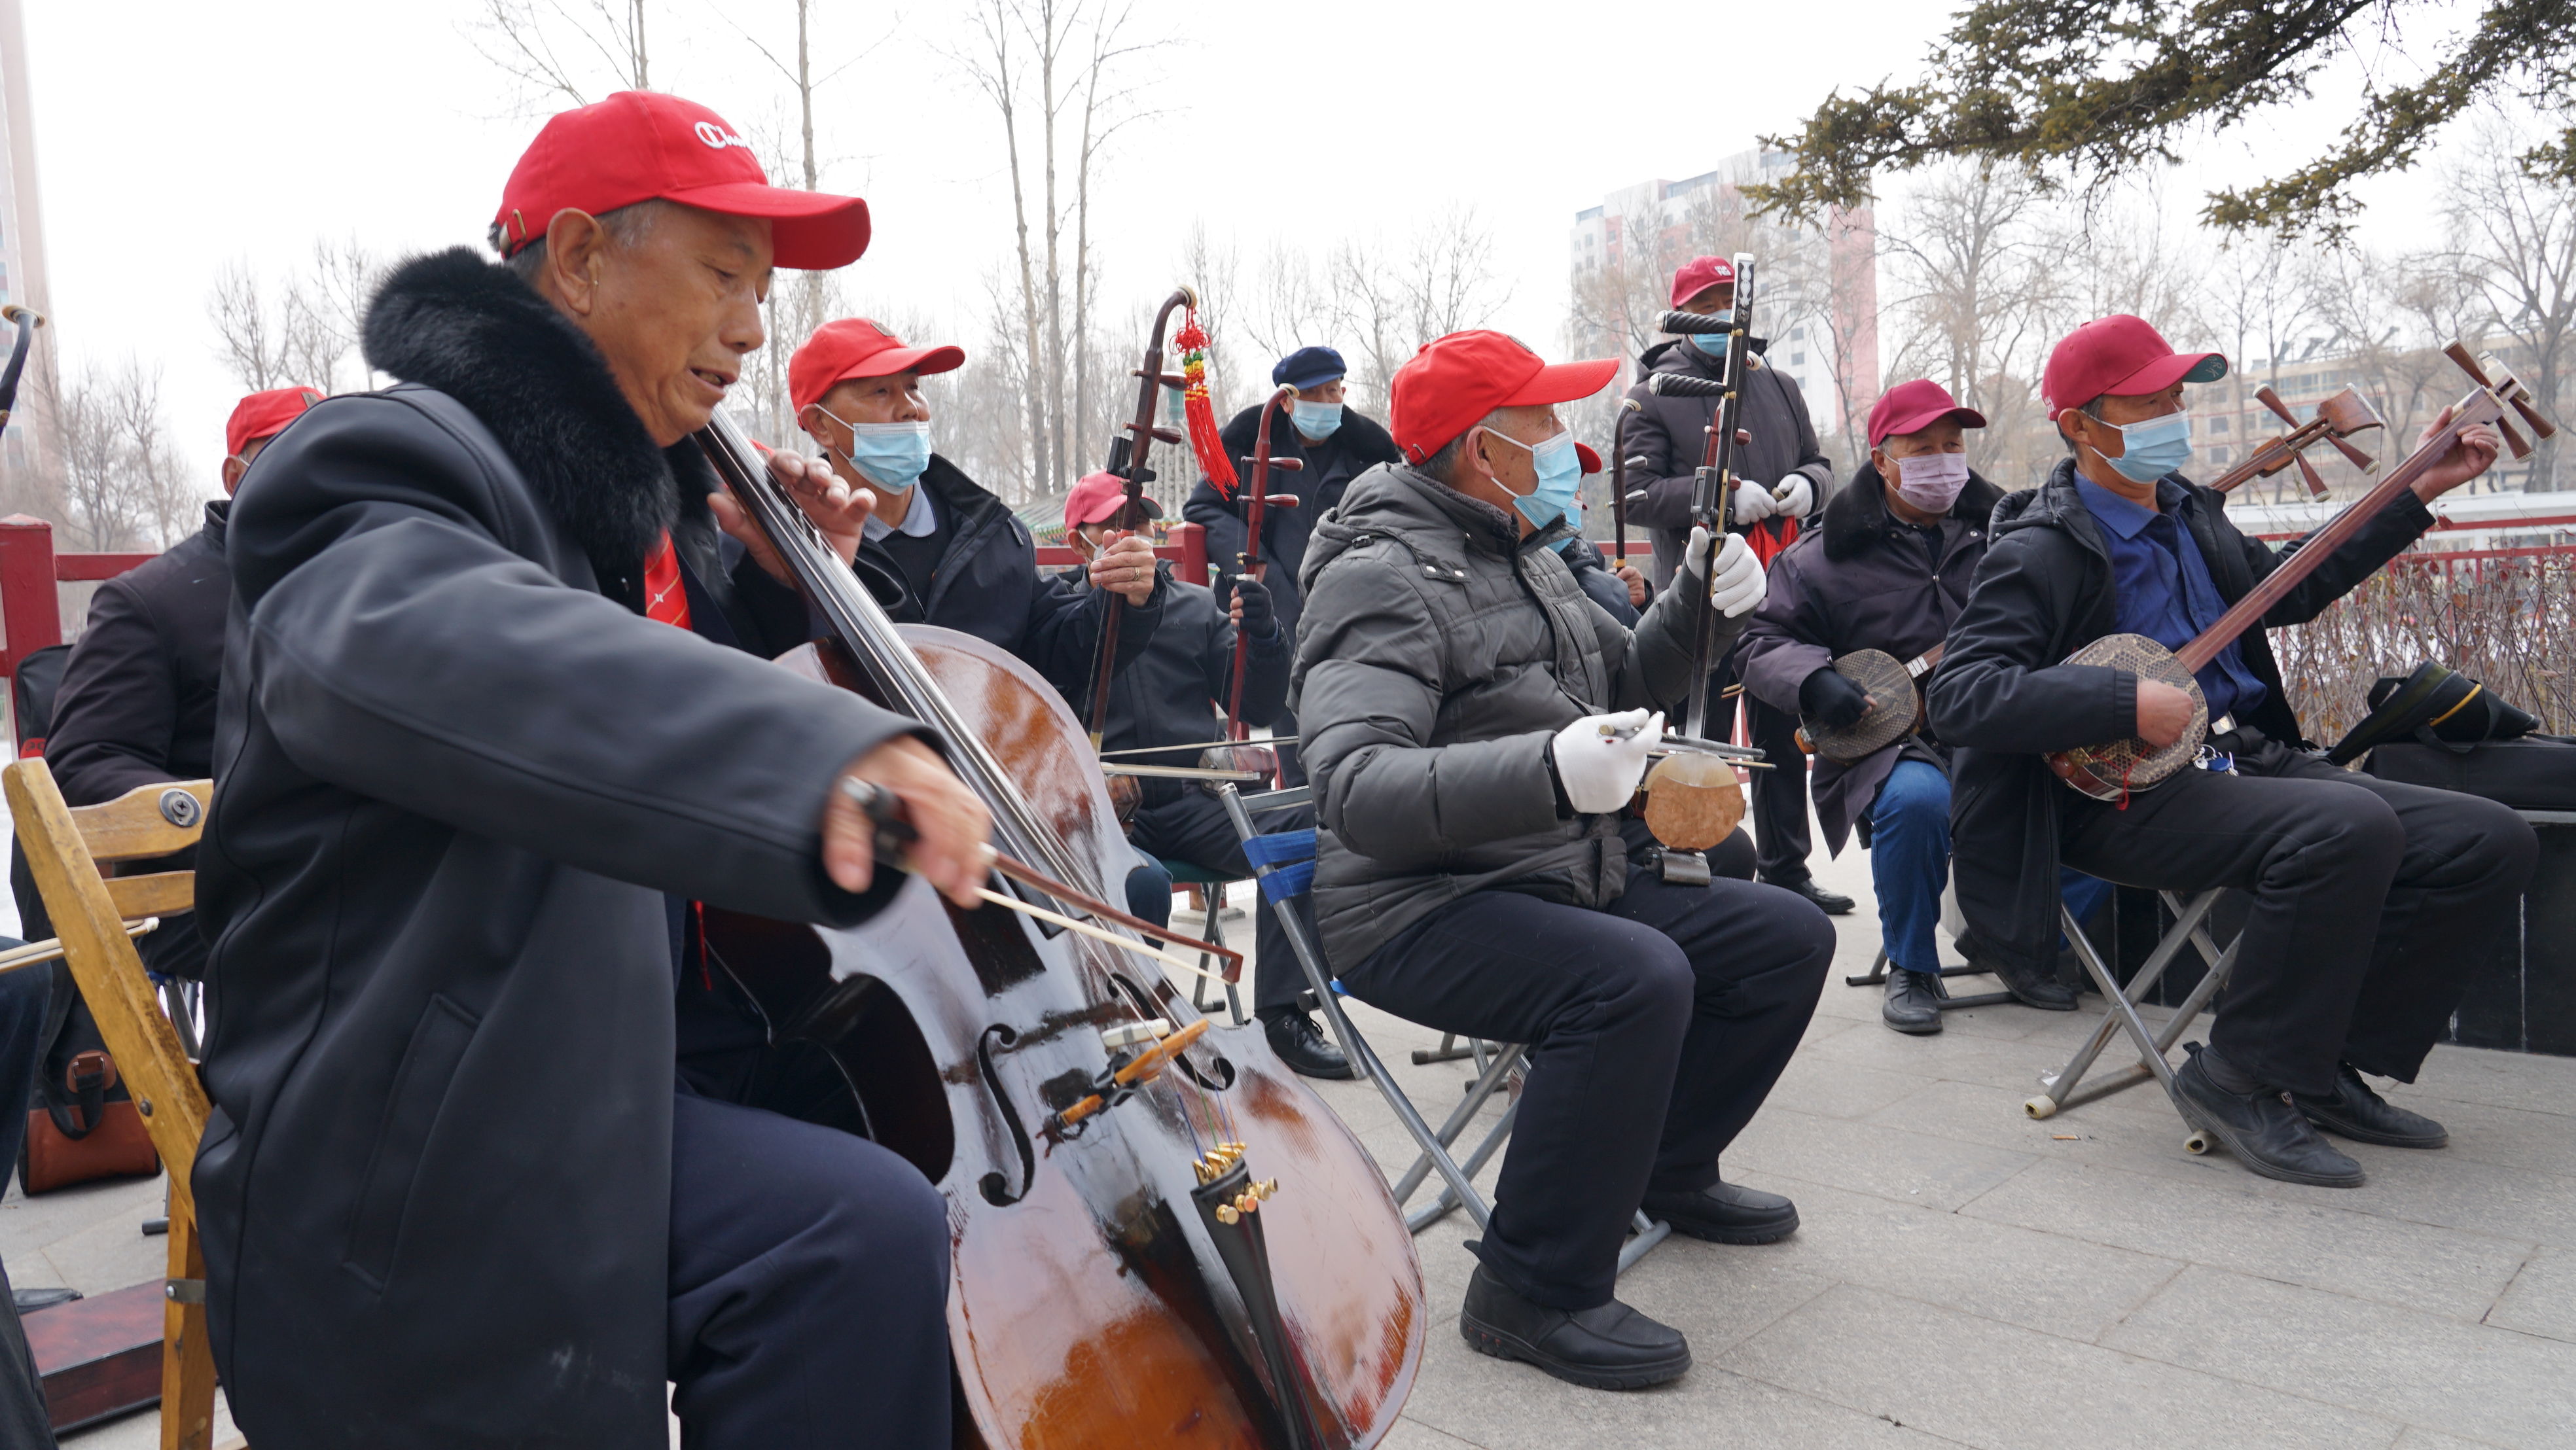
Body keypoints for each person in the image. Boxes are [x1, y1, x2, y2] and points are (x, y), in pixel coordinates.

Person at [195, 91, 1000, 1447]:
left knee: (910, 1203)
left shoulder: (629, 517)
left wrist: (786, 586)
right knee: (851, 1234)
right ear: (577, 259)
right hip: (430, 1136)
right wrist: (820, 748)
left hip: (637, 1060)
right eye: (723, 276)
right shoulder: (380, 459)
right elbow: (465, 648)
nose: (754, 329)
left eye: (762, 290)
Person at [1295, 329, 1834, 1390]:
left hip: (1551, 865)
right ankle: (1529, 1289)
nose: (1562, 440)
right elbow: (1356, 788)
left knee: (1783, 934)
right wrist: (1546, 769)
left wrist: (1702, 607)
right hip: (1420, 900)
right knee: (1631, 978)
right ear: (1478, 449)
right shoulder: (1377, 579)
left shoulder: (1524, 550)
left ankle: (1669, 1166)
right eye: (1541, 422)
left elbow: (1625, 680)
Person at [1929, 313, 2535, 1188]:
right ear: (2082, 425)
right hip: (2122, 797)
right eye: (2151, 401)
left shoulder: (2189, 516)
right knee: (2346, 826)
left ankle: (2321, 1065)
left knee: (2489, 841)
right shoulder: (2040, 548)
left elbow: (2294, 587)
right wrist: (2120, 698)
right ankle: (2236, 1075)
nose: (2175, 411)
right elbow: (1961, 697)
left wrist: (2420, 490)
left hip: (2241, 762)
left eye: (2178, 394)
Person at [1737, 380, 2109, 1033]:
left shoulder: (2013, 535)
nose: (1943, 460)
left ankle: (2023, 946)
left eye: (1952, 445)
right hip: (1890, 740)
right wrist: (1813, 679)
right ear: (1882, 460)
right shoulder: (1820, 557)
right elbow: (1761, 640)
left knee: (2104, 787)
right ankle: (1912, 965)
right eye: (1922, 447)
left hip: (2005, 724)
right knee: (1915, 802)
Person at [1052, 472, 1348, 1078]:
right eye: (1110, 525)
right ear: (1077, 537)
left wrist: (1264, 636)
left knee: (1309, 831)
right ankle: (1132, 1030)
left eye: (1137, 524)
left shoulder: (1192, 605)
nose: (1126, 536)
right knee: (1135, 882)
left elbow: (1259, 706)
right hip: (1105, 813)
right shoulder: (1056, 614)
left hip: (1197, 801)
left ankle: (1282, 1015)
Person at [41, 387, 319, 984]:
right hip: (221, 912)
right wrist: (233, 814)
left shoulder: (364, 584)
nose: (315, 480)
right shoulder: (150, 602)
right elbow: (86, 762)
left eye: (333, 459)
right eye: (289, 456)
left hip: (363, 890)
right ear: (235, 473)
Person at [1619, 255, 1848, 915]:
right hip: (1701, 598)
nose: (1723, 314)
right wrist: (1717, 496)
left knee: (1781, 734)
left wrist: (1809, 484)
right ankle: (1699, 861)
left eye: (1731, 300)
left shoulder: (1778, 384)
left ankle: (1787, 869)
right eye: (1708, 303)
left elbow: (1820, 465)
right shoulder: (1653, 393)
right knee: (1698, 737)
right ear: (1684, 313)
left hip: (1782, 596)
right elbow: (1636, 492)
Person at [792, 317, 1161, 692]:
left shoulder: (993, 534)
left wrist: (1125, 602)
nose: (911, 409)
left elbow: (1054, 647)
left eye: (913, 387)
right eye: (881, 392)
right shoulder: (792, 546)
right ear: (821, 424)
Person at [1183, 345, 1403, 784]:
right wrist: (1253, 563)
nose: (1328, 403)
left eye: (1334, 391)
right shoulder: (1250, 445)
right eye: (1315, 394)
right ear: (1286, 401)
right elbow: (1202, 509)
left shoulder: (1367, 452)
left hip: (1352, 612)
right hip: (1277, 611)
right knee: (1292, 730)